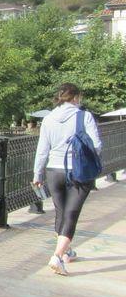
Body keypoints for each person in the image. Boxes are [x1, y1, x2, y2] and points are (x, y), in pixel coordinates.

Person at [32, 83, 102, 276]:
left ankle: (66, 251)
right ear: (75, 98)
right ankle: (57, 256)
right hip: (78, 172)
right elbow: (96, 145)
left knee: (61, 212)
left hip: (53, 171)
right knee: (71, 214)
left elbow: (42, 149)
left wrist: (37, 174)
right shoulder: (84, 116)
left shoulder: (48, 118)